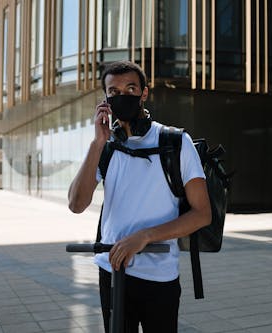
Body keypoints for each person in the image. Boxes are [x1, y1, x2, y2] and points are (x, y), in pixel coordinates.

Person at [68, 60, 211, 333]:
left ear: (144, 93)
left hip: (159, 275)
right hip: (111, 271)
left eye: (131, 88)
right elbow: (76, 204)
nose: (123, 96)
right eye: (114, 91)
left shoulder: (176, 142)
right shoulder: (106, 148)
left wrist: (144, 236)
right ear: (106, 100)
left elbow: (202, 214)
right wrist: (97, 143)